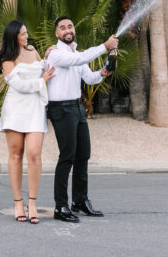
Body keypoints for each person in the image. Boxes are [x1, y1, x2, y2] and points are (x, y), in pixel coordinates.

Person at [45, 16, 118, 222]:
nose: (67, 30)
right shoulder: (56, 54)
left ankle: (79, 201)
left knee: (83, 155)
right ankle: (61, 206)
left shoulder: (75, 53)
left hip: (77, 108)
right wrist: (105, 45)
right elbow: (80, 60)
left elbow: (89, 78)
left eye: (70, 26)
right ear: (57, 34)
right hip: (61, 109)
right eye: (62, 28)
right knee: (67, 157)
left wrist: (103, 72)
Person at [0, 19, 54, 224]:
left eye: (26, 33)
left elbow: (45, 68)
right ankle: (18, 202)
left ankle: (32, 202)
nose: (26, 36)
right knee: (15, 155)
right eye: (22, 34)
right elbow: (19, 85)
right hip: (15, 110)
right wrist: (43, 81)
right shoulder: (7, 57)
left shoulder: (32, 50)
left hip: (35, 109)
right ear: (13, 36)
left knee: (34, 154)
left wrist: (49, 54)